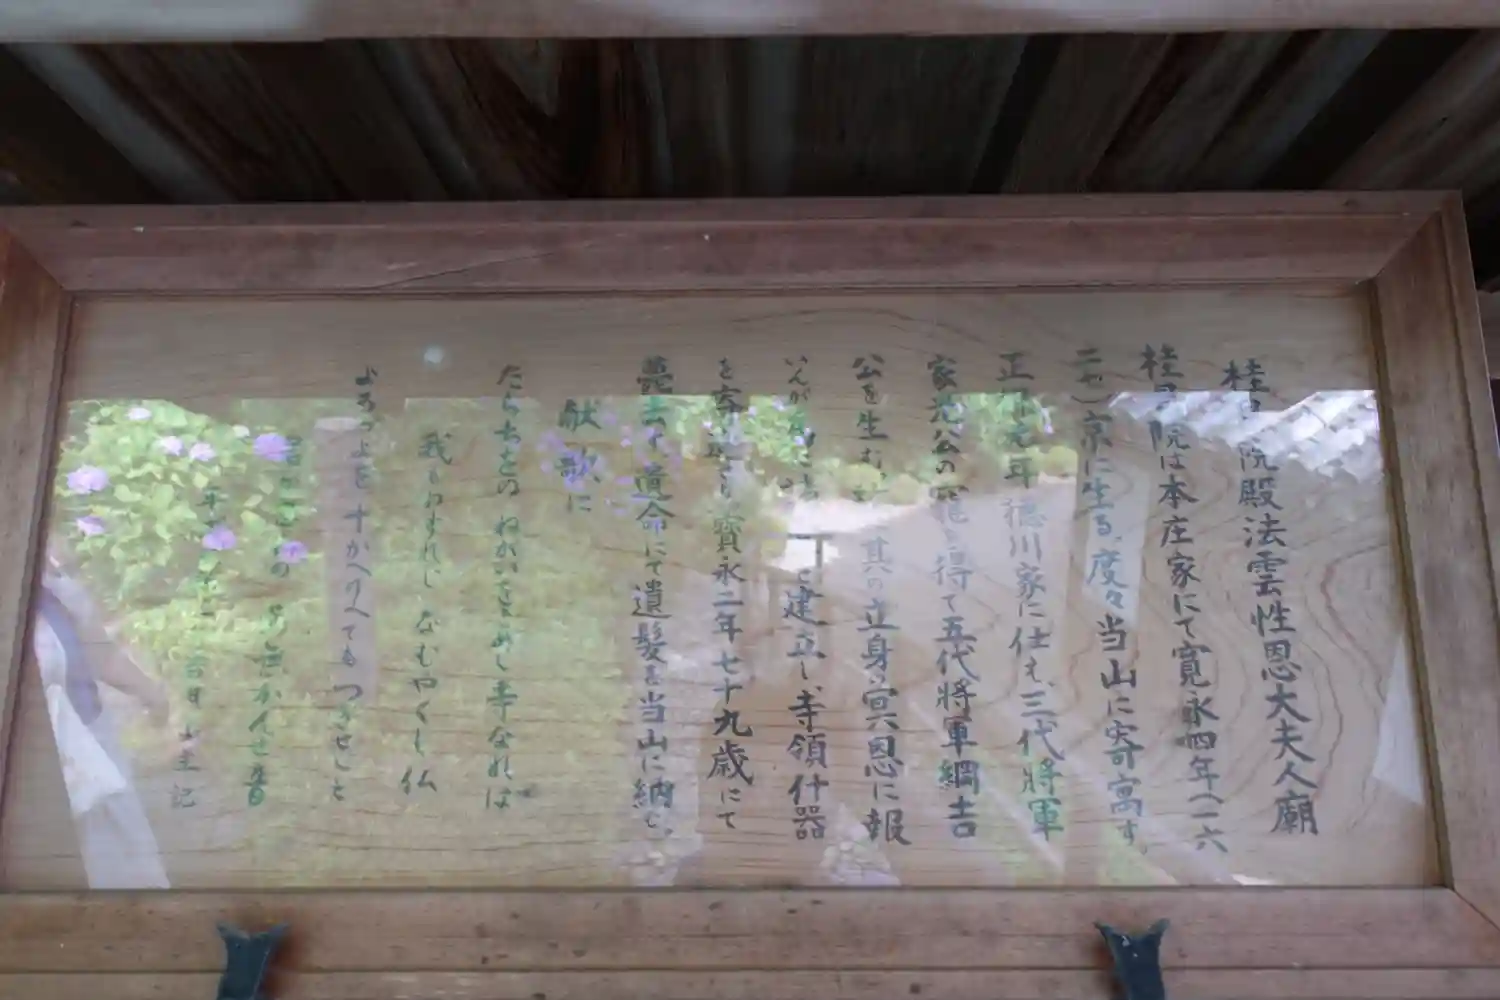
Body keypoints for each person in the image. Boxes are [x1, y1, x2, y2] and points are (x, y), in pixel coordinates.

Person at [32, 549, 170, 888]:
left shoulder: (53, 585)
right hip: (41, 767)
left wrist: (151, 693)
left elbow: (99, 652)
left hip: (95, 746)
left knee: (126, 861)